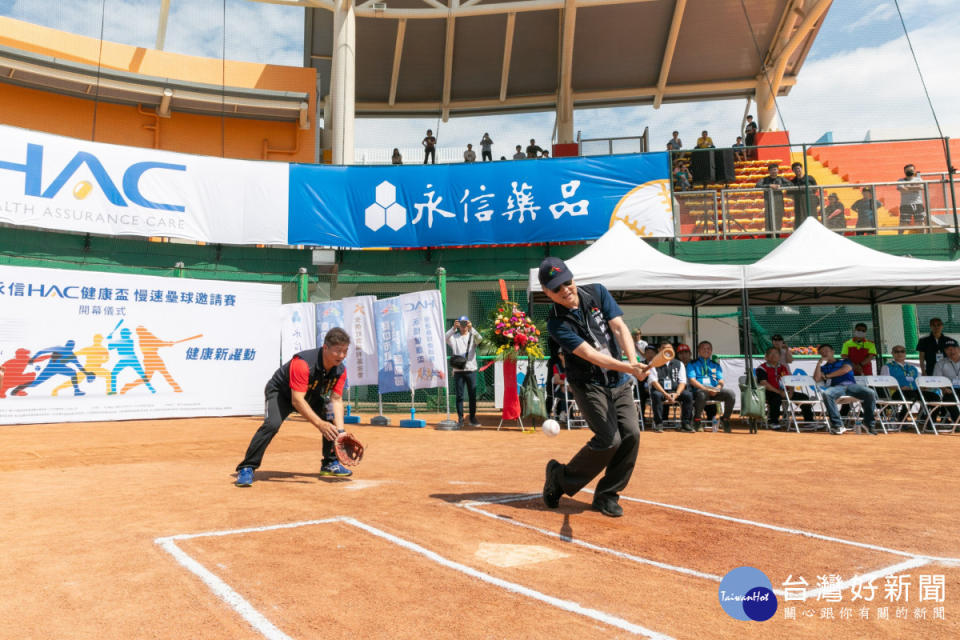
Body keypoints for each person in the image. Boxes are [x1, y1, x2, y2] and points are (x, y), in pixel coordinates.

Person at [539, 257, 649, 518]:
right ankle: (560, 477)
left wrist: (633, 361)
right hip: (588, 384)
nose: (566, 290)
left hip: (618, 382)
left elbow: (619, 328)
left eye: (567, 282)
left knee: (631, 434)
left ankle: (607, 494)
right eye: (557, 288)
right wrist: (629, 368)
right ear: (547, 293)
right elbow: (590, 354)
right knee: (609, 440)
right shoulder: (556, 323)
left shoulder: (597, 292)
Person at [235, 328, 352, 486]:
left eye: (345, 351)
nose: (342, 356)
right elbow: (297, 400)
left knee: (330, 418)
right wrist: (319, 424)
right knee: (272, 425)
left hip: (308, 395)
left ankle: (330, 463)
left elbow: (336, 400)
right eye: (338, 351)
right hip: (281, 394)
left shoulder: (340, 370)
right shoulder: (303, 364)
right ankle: (247, 467)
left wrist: (341, 432)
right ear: (325, 348)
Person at [814, 343, 878, 435]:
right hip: (837, 387)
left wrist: (827, 376)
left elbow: (845, 370)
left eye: (826, 351)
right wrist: (818, 364)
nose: (824, 353)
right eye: (822, 352)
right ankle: (837, 425)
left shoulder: (845, 361)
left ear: (832, 352)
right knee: (826, 394)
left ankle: (869, 423)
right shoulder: (823, 367)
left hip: (852, 386)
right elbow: (816, 379)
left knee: (870, 392)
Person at [756, 346, 812, 428]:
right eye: (771, 353)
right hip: (767, 392)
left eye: (776, 353)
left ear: (779, 357)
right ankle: (773, 421)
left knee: (804, 397)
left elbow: (790, 380)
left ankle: (809, 421)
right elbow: (764, 383)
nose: (774, 355)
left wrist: (791, 392)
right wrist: (779, 392)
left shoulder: (783, 367)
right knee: (776, 397)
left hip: (784, 392)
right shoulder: (762, 368)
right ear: (766, 357)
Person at [686, 340, 736, 432]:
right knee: (702, 394)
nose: (706, 350)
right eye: (703, 348)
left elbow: (721, 380)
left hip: (714, 391)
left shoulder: (715, 365)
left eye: (708, 349)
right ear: (698, 351)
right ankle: (697, 420)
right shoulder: (692, 364)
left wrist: (717, 389)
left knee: (730, 394)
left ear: (711, 351)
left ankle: (725, 419)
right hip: (700, 391)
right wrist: (706, 389)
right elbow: (692, 380)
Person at [648, 341, 694, 432]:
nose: (667, 350)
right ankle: (659, 424)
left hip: (675, 391)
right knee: (656, 395)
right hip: (661, 391)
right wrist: (665, 394)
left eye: (669, 348)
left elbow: (682, 382)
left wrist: (676, 394)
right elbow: (654, 381)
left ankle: (686, 424)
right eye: (664, 348)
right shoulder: (653, 363)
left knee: (688, 395)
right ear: (659, 350)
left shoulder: (679, 363)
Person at [881, 345, 935, 422]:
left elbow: (918, 382)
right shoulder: (887, 367)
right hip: (897, 392)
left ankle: (930, 421)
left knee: (935, 397)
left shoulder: (912, 368)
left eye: (902, 351)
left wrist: (923, 387)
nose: (900, 354)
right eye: (896, 352)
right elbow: (884, 384)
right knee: (912, 396)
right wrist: (900, 387)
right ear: (892, 353)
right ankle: (902, 417)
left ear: (905, 353)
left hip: (914, 392)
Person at [446, 315, 482, 427]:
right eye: (461, 323)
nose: (463, 326)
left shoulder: (472, 336)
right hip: (458, 370)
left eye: (465, 323)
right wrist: (453, 329)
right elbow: (444, 338)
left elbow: (480, 339)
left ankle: (472, 418)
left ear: (468, 323)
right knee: (459, 396)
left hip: (471, 369)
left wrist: (472, 328)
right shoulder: (454, 337)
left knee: (472, 395)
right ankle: (460, 419)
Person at [756, 162, 791, 235]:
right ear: (769, 171)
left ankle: (777, 234)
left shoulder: (781, 179)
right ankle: (769, 235)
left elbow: (790, 184)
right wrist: (769, 185)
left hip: (778, 201)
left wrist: (779, 186)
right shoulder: (765, 179)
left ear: (778, 170)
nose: (774, 171)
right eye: (772, 170)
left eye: (775, 169)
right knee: (769, 218)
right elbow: (757, 185)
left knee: (778, 217)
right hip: (768, 201)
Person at [931, 338, 960, 422]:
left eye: (953, 348)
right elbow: (936, 380)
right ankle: (958, 422)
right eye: (948, 349)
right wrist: (944, 389)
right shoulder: (940, 363)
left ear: (959, 349)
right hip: (949, 390)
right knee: (949, 399)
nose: (951, 351)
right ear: (945, 351)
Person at [897, 163, 926, 233]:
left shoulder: (918, 179)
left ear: (914, 171)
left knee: (920, 222)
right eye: (908, 170)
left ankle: (925, 238)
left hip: (918, 204)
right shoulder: (900, 180)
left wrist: (908, 187)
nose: (910, 172)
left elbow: (921, 187)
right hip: (905, 204)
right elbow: (902, 189)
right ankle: (899, 238)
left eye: (911, 170)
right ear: (904, 171)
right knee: (903, 223)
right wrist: (915, 187)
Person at [789, 162, 819, 227]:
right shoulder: (793, 181)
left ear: (801, 168)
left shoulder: (809, 178)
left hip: (810, 201)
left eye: (798, 168)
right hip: (799, 203)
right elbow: (790, 193)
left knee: (812, 217)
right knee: (800, 219)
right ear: (793, 171)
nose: (797, 170)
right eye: (795, 169)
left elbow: (815, 188)